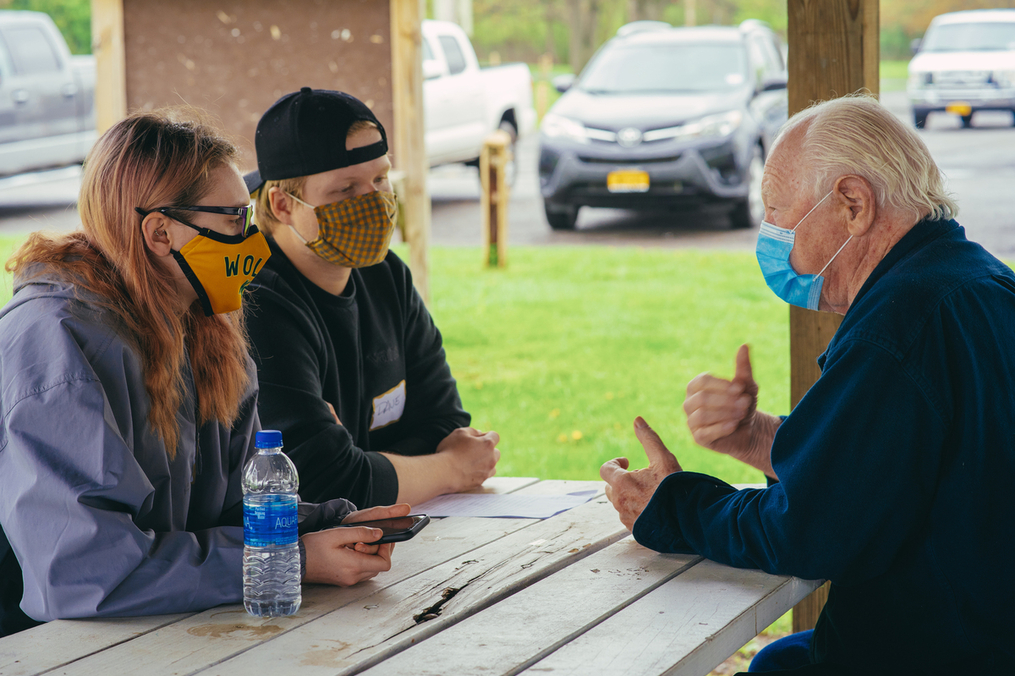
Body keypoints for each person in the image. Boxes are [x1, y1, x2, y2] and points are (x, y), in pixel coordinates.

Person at [599, 95, 1015, 674]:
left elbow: (813, 532)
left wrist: (671, 507)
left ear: (853, 204)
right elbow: (877, 466)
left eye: (777, 211)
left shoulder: (897, 326)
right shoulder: (978, 280)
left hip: (941, 652)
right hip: (978, 630)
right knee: (780, 658)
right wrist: (754, 437)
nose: (769, 235)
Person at [0, 111, 409, 638]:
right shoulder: (55, 345)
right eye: (235, 220)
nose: (253, 240)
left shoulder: (202, 324)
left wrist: (327, 525)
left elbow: (231, 505)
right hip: (44, 645)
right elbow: (86, 572)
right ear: (161, 232)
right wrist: (291, 560)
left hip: (164, 630)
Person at [244, 88, 499, 508]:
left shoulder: (386, 275)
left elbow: (445, 423)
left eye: (380, 179)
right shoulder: (256, 301)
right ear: (283, 204)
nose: (374, 202)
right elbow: (324, 481)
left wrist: (361, 462)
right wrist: (450, 469)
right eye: (345, 189)